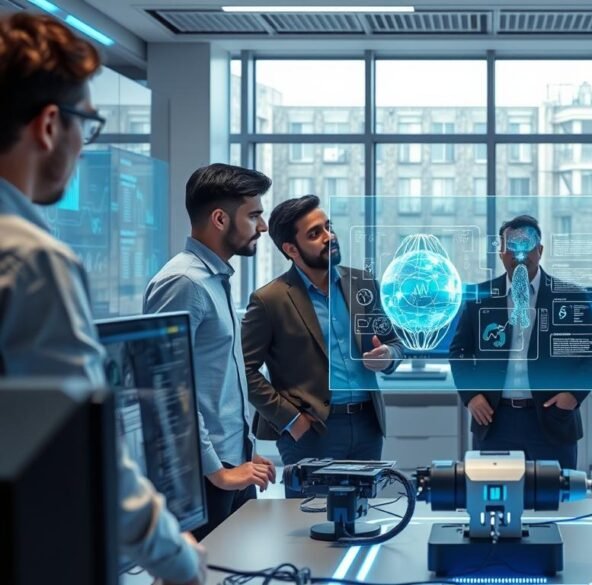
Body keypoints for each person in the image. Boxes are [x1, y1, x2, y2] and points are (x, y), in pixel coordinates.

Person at [0, 12, 203, 584]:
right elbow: (93, 460)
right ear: (47, 126)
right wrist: (181, 561)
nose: (82, 146)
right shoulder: (31, 260)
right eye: (85, 126)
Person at [144, 163, 276, 540]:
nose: (262, 227)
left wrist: (243, 455)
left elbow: (216, 381)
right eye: (254, 216)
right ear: (220, 218)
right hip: (202, 476)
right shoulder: (183, 282)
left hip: (228, 466)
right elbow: (166, 389)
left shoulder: (213, 279)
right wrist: (217, 471)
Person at [242, 195, 403, 497]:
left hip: (368, 426)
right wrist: (290, 419)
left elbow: (394, 343)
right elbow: (244, 370)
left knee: (361, 519)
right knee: (310, 525)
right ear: (291, 249)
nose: (329, 237)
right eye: (315, 234)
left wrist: (388, 356)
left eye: (328, 227)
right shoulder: (270, 300)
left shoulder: (362, 283)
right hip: (312, 433)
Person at [449, 215, 592, 470]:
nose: (519, 253)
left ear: (540, 250)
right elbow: (459, 353)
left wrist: (573, 395)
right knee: (495, 502)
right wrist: (471, 395)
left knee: (556, 505)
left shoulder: (570, 297)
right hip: (494, 420)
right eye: (512, 246)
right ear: (501, 252)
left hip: (551, 419)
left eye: (527, 245)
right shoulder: (481, 298)